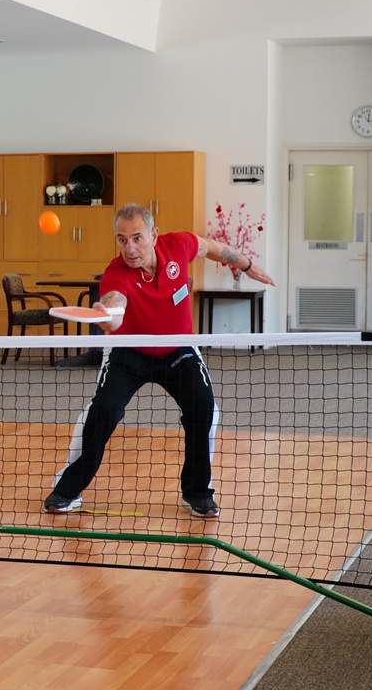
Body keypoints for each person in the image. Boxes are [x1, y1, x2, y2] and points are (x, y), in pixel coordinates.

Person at [44, 202, 275, 519]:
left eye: (137, 237)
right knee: (103, 410)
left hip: (179, 351)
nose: (130, 248)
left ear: (154, 234)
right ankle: (67, 490)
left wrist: (247, 265)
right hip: (129, 352)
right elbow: (115, 306)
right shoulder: (117, 273)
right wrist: (107, 314)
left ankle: (197, 493)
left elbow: (212, 248)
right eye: (122, 239)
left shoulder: (178, 245)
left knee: (204, 406)